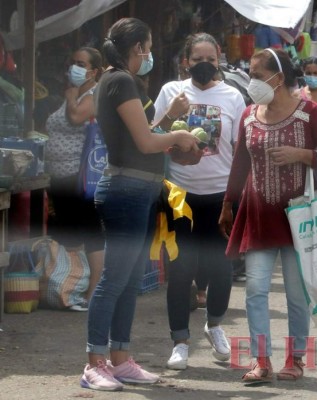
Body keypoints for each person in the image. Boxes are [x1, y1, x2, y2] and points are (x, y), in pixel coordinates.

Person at [81, 17, 200, 392]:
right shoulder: (120, 80)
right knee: (114, 279)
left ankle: (120, 359)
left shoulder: (119, 81)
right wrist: (179, 135)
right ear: (138, 49)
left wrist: (170, 123)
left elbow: (144, 135)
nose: (149, 55)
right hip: (125, 191)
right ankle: (94, 362)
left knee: (129, 281)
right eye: (147, 48)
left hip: (140, 190)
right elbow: (148, 143)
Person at [219, 48, 317, 382]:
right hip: (257, 214)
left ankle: (295, 357)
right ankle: (261, 360)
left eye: (257, 75)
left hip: (299, 218)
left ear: (278, 77)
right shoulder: (248, 115)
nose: (252, 81)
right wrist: (228, 203)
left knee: (295, 293)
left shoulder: (310, 113)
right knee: (255, 288)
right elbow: (240, 162)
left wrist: (300, 154)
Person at [153, 32, 246, 371]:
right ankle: (180, 341)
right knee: (180, 271)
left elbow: (240, 149)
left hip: (220, 196)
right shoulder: (170, 92)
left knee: (222, 269)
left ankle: (215, 325)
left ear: (219, 58)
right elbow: (151, 137)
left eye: (210, 58)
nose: (203, 64)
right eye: (197, 59)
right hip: (179, 195)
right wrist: (172, 113)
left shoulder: (234, 96)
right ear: (186, 61)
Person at [45, 47, 104, 310]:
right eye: (73, 62)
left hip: (80, 178)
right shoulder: (74, 92)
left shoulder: (93, 93)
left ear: (94, 71)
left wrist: (70, 97)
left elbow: (76, 116)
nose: (75, 68)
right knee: (67, 232)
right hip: (58, 176)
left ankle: (94, 292)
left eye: (81, 64)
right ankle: (69, 286)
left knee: (90, 232)